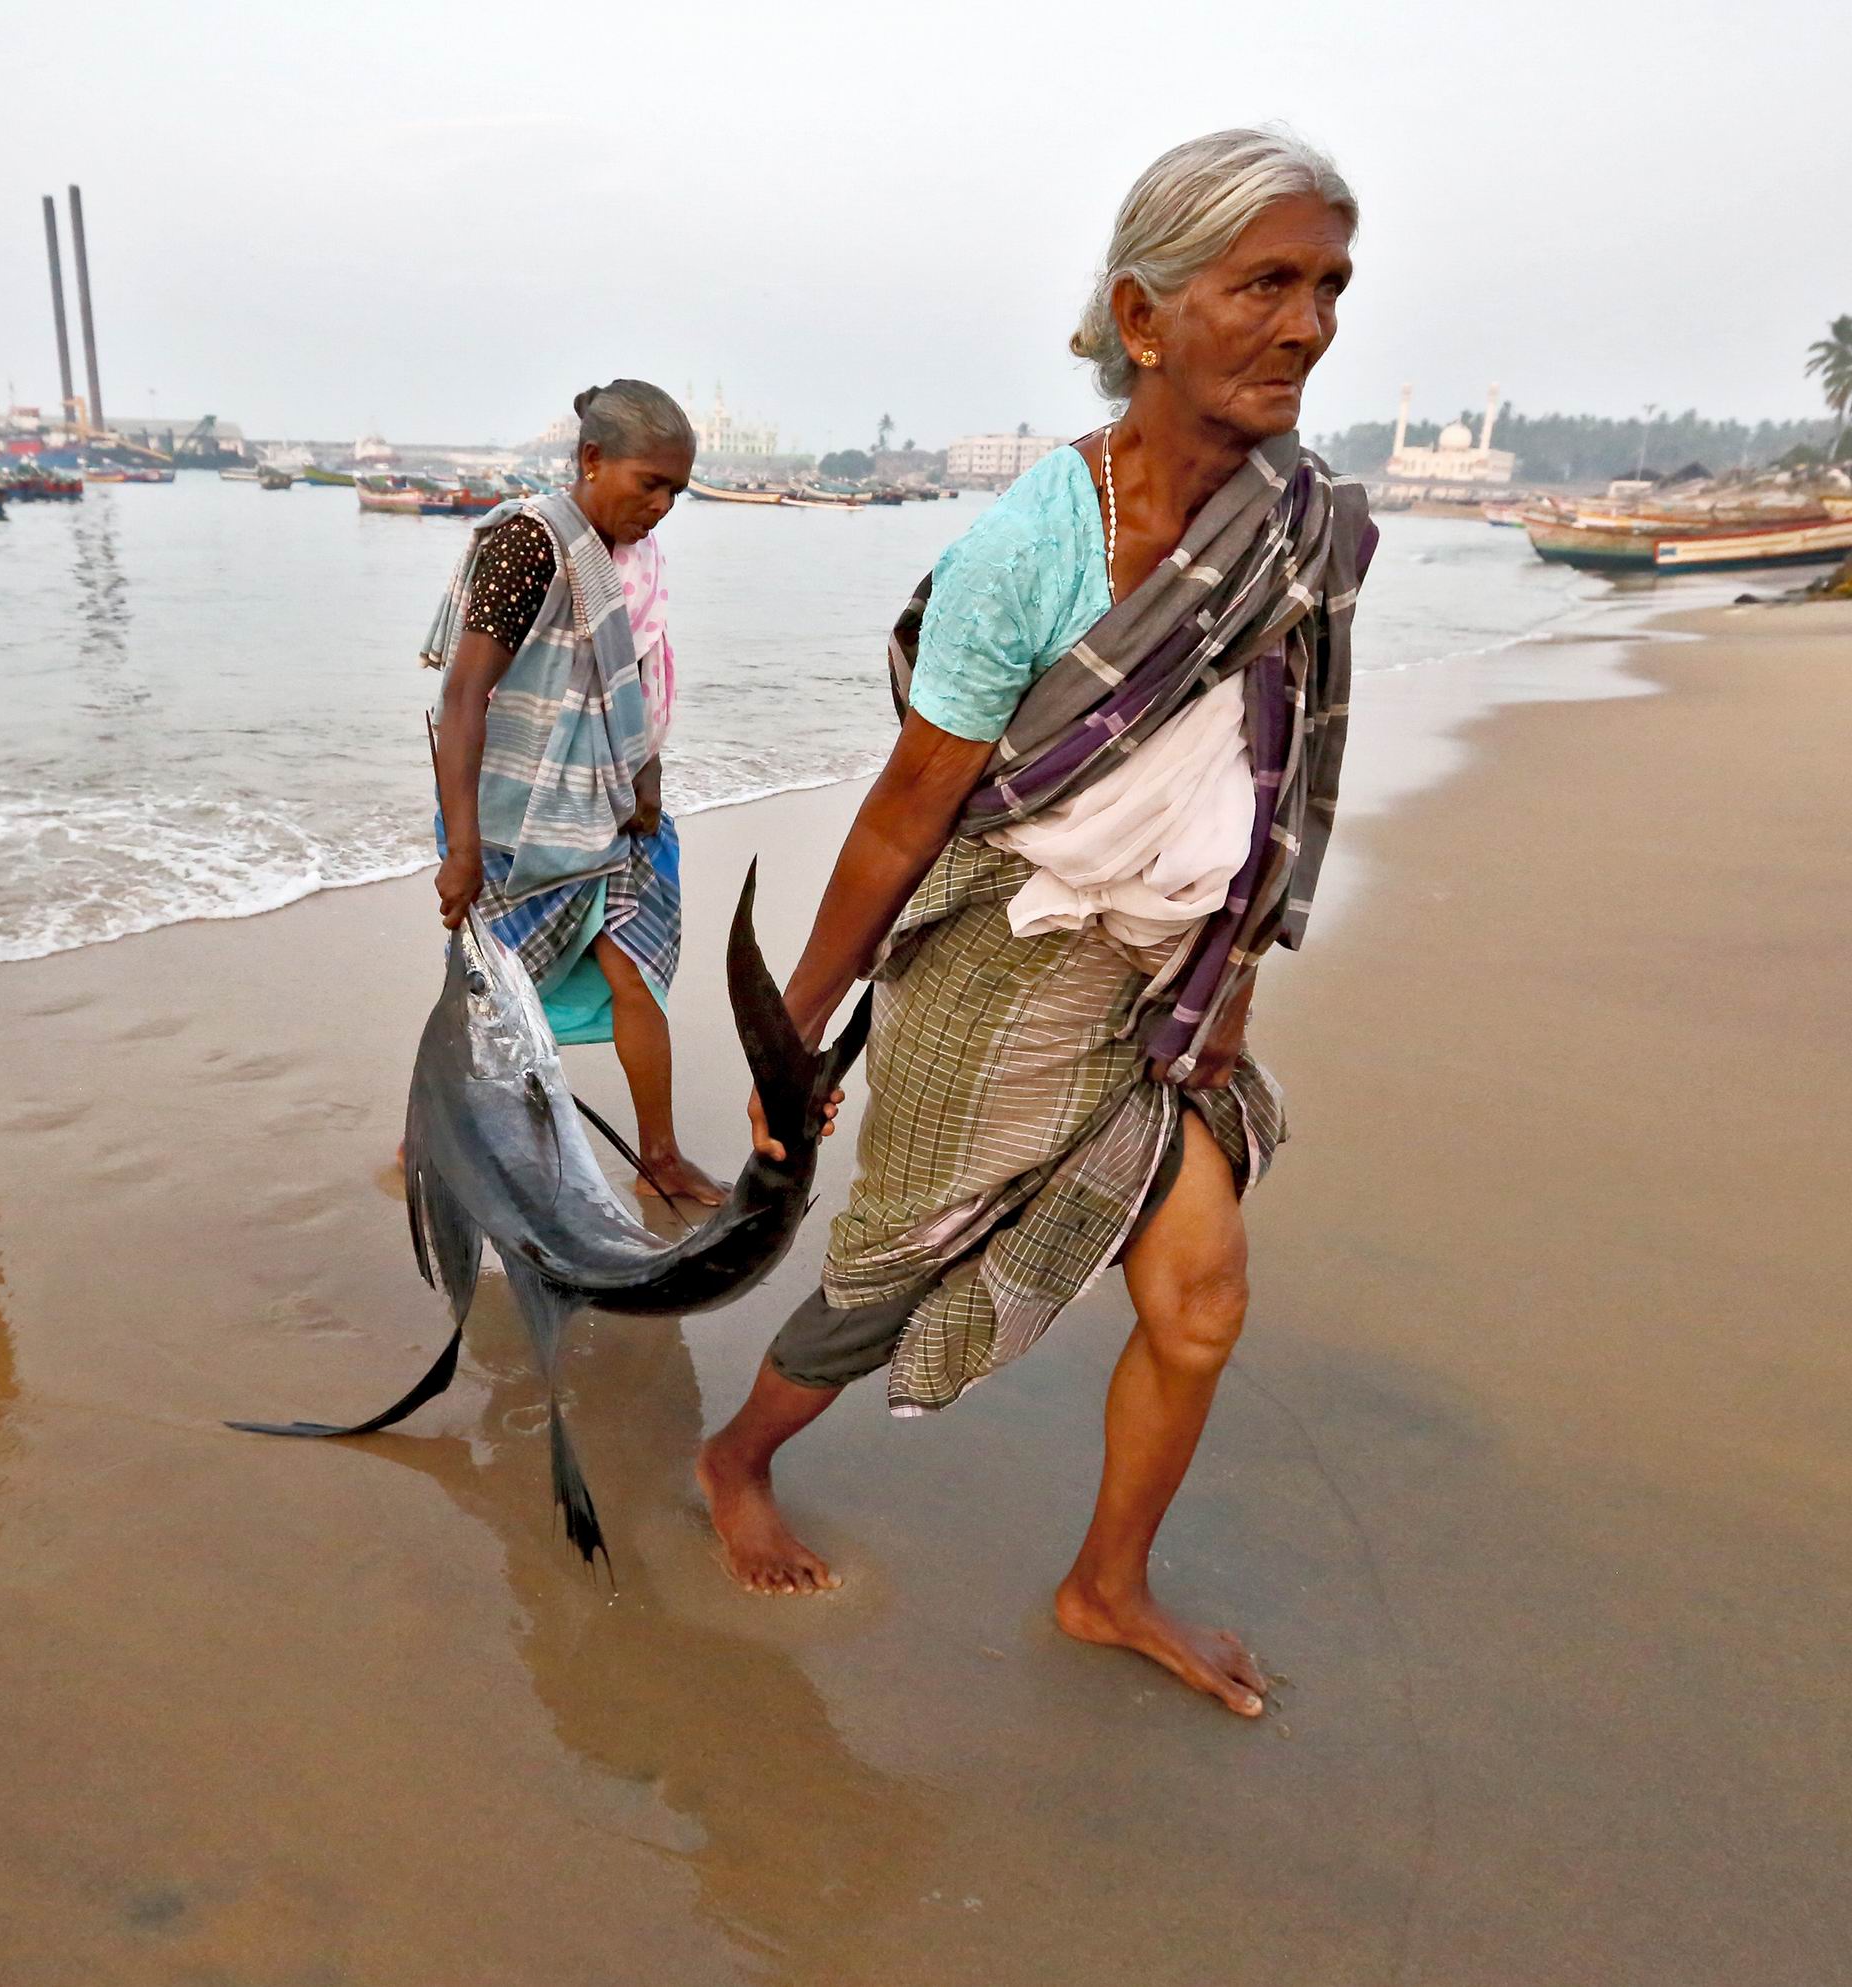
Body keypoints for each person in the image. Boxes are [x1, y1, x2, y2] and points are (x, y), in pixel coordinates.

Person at [694, 130, 1376, 1717]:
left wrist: (1237, 973)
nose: (1306, 323)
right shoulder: (1029, 546)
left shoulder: (1306, 526)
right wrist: (792, 1031)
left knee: (1200, 1302)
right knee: (888, 1264)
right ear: (1144, 318)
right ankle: (736, 1456)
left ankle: (1104, 1583)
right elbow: (906, 804)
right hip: (1002, 964)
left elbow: (1282, 768)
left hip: (1177, 980)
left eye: (1329, 285)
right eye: (1263, 282)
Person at [425, 380, 723, 1203]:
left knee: (637, 974)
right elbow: (462, 698)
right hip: (520, 823)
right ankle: (443, 1150)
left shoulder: (635, 559)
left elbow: (638, 682)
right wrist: (463, 848)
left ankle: (658, 1157)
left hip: (615, 810)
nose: (662, 506)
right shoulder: (531, 546)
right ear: (592, 460)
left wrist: (647, 778)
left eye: (676, 490)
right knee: (492, 1013)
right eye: (649, 483)